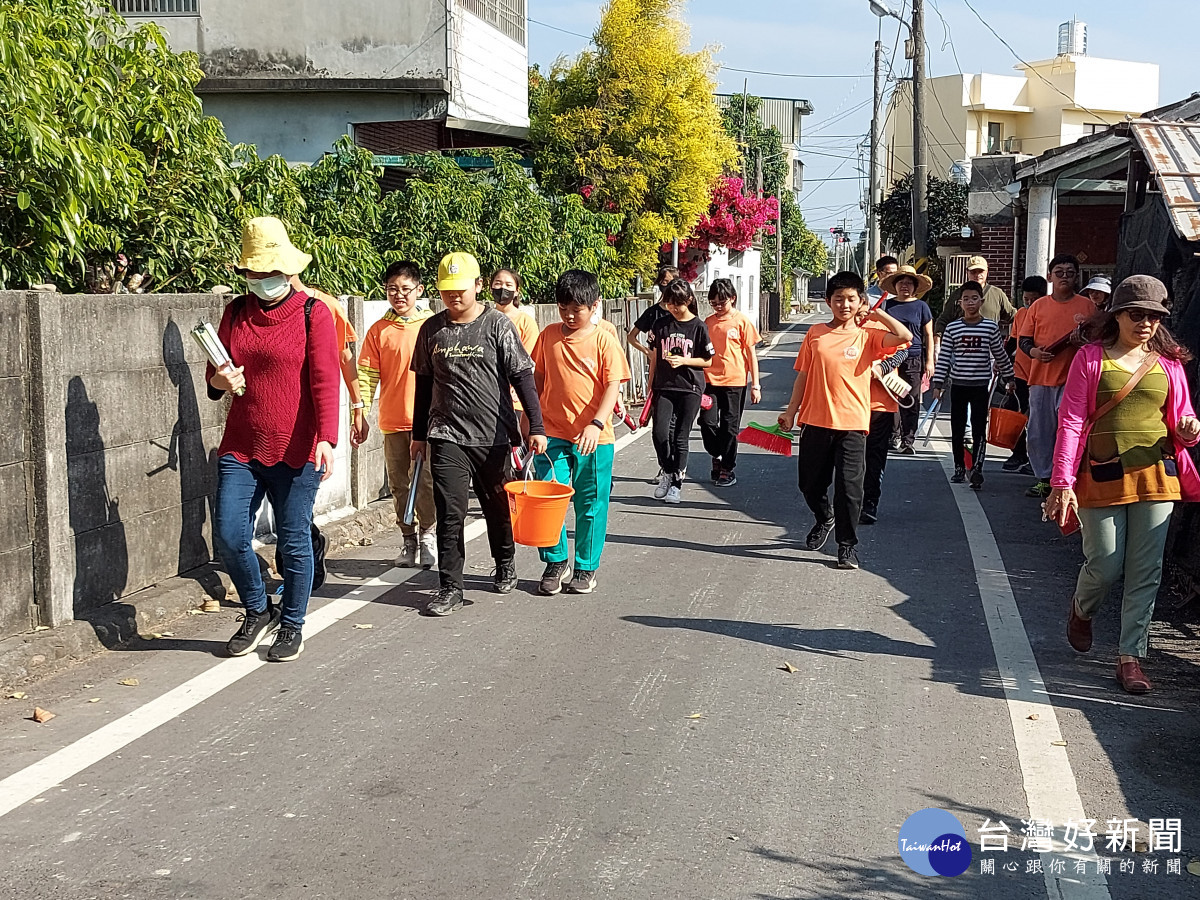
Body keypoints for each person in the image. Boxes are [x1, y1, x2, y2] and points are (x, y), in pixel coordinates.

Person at [1045, 275, 1200, 694]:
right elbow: (1072, 420)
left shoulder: (1168, 364)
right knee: (1105, 564)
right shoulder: (1091, 358)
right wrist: (1061, 481)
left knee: (1146, 571)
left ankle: (1131, 657)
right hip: (1100, 473)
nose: (1146, 323)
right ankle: (1082, 609)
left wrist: (1189, 430)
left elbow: (1183, 423)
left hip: (1156, 474)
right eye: (1137, 314)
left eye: (1154, 316)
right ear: (1117, 315)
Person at [209, 217, 340, 663]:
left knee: (292, 539)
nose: (262, 281)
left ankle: (292, 624)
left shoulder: (313, 312)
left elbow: (325, 379)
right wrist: (221, 380)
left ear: (287, 269)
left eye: (270, 272)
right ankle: (257, 609)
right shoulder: (235, 312)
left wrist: (327, 437)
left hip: (298, 447)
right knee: (229, 535)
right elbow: (215, 375)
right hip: (242, 444)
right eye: (254, 273)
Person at [410, 252, 548, 616]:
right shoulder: (431, 329)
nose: (454, 296)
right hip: (446, 434)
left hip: (494, 435)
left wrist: (536, 426)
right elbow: (423, 385)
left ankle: (505, 563)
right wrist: (418, 434)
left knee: (497, 508)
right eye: (446, 290)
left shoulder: (497, 325)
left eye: (460, 288)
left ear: (478, 286)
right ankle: (450, 586)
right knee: (450, 512)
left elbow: (522, 376)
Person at [778, 272, 912, 569]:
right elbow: (803, 375)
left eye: (851, 298)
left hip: (853, 424)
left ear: (860, 301)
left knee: (850, 489)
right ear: (828, 301)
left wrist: (877, 313)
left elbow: (905, 338)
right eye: (838, 299)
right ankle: (824, 517)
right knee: (810, 485)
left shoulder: (868, 335)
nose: (845, 304)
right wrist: (791, 411)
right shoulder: (815, 334)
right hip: (815, 420)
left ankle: (847, 546)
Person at [531, 270, 631, 595]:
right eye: (564, 308)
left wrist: (597, 423)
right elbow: (538, 379)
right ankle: (555, 561)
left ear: (595, 305)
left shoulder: (604, 339)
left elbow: (613, 384)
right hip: (551, 433)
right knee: (549, 496)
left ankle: (586, 567)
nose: (570, 315)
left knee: (590, 503)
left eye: (578, 308)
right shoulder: (547, 336)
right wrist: (531, 420)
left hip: (594, 438)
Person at [357, 260, 437, 569]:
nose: (399, 295)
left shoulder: (433, 326)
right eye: (392, 289)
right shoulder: (379, 330)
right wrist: (359, 412)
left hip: (430, 424)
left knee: (428, 482)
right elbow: (365, 376)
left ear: (419, 290)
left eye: (405, 289)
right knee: (399, 484)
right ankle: (408, 540)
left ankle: (429, 535)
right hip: (393, 421)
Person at [1018, 253, 1095, 498]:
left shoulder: (1087, 307)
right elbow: (1024, 340)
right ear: (1050, 277)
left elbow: (1097, 342)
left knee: (1069, 430)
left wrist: (1081, 342)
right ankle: (1044, 477)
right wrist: (1035, 353)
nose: (1064, 277)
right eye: (1059, 272)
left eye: (1070, 273)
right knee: (1040, 431)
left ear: (1077, 277)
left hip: (1075, 380)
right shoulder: (1038, 306)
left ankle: (1066, 477)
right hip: (1041, 378)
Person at [931, 281, 1015, 490]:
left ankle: (977, 467)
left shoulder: (990, 327)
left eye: (974, 298)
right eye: (966, 299)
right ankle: (959, 467)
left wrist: (1010, 378)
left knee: (979, 428)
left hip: (980, 385)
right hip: (958, 384)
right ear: (960, 303)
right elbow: (944, 358)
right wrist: (938, 383)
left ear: (981, 301)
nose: (970, 303)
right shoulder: (953, 328)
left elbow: (1000, 355)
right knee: (957, 429)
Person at [648, 279, 713, 504]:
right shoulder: (661, 325)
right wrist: (650, 382)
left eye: (678, 304)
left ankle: (676, 483)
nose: (674, 308)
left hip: (690, 387)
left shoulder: (698, 326)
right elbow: (654, 355)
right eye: (670, 304)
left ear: (689, 300)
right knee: (659, 433)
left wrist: (685, 361)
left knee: (681, 436)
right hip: (664, 386)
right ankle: (667, 470)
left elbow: (708, 361)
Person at [700, 278, 762, 487]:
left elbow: (751, 354)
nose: (718, 307)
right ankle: (716, 454)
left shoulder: (742, 321)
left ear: (732, 299)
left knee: (729, 426)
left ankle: (727, 467)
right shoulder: (707, 322)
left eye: (722, 302)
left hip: (735, 381)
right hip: (709, 381)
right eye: (714, 303)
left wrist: (756, 384)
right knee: (707, 423)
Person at [877, 265, 934, 453]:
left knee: (911, 399)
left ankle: (908, 439)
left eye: (909, 283)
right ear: (895, 284)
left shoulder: (921, 307)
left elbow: (928, 335)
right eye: (901, 282)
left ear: (915, 287)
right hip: (890, 358)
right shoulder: (887, 305)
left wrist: (929, 361)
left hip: (913, 358)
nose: (905, 286)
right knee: (891, 396)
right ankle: (892, 436)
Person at [861, 342, 911, 525]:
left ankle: (869, 503)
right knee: (849, 459)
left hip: (880, 404)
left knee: (874, 456)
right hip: (847, 405)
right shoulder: (836, 327)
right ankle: (850, 502)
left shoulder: (882, 323)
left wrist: (884, 367)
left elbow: (904, 349)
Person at [1001, 276, 1048, 473]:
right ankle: (1018, 452)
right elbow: (1013, 341)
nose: (1029, 303)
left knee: (1037, 419)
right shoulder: (1020, 314)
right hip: (1020, 372)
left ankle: (1035, 460)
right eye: (1025, 299)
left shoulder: (1048, 313)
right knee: (1017, 413)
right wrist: (1001, 361)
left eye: (1033, 299)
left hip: (1041, 374)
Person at [935, 256, 1016, 336]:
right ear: (967, 272)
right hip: (963, 343)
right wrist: (937, 344)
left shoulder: (997, 294)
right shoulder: (958, 294)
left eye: (980, 271)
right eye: (973, 272)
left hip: (988, 343)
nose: (977, 275)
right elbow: (943, 320)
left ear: (987, 271)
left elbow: (1014, 316)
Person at [627, 265, 679, 358]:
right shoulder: (652, 312)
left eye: (669, 282)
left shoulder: (682, 312)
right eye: (663, 282)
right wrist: (647, 352)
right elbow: (631, 337)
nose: (666, 285)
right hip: (657, 367)